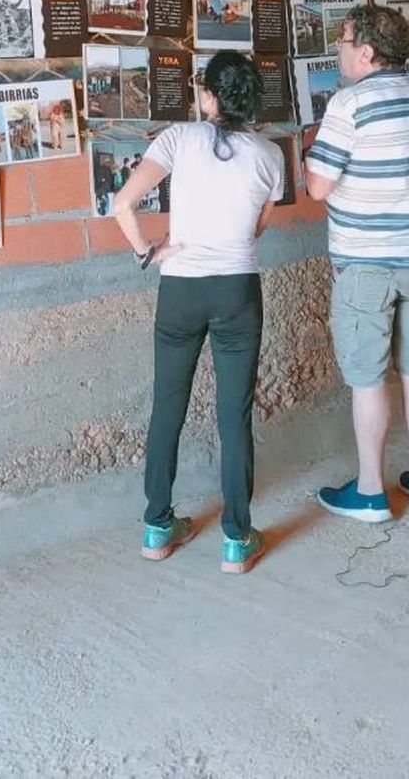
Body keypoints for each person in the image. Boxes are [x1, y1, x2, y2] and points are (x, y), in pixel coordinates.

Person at [112, 51, 283, 575]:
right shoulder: (271, 156)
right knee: (234, 416)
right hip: (236, 290)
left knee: (168, 407)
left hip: (180, 288)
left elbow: (122, 205)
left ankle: (157, 526)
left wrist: (148, 251)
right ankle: (236, 539)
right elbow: (256, 229)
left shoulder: (177, 139)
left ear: (207, 96)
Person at [305, 4, 409, 523]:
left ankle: (370, 492)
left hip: (364, 267)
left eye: (344, 45)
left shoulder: (349, 105)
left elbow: (319, 188)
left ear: (366, 51)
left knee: (368, 378)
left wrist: (312, 157)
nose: (340, 54)